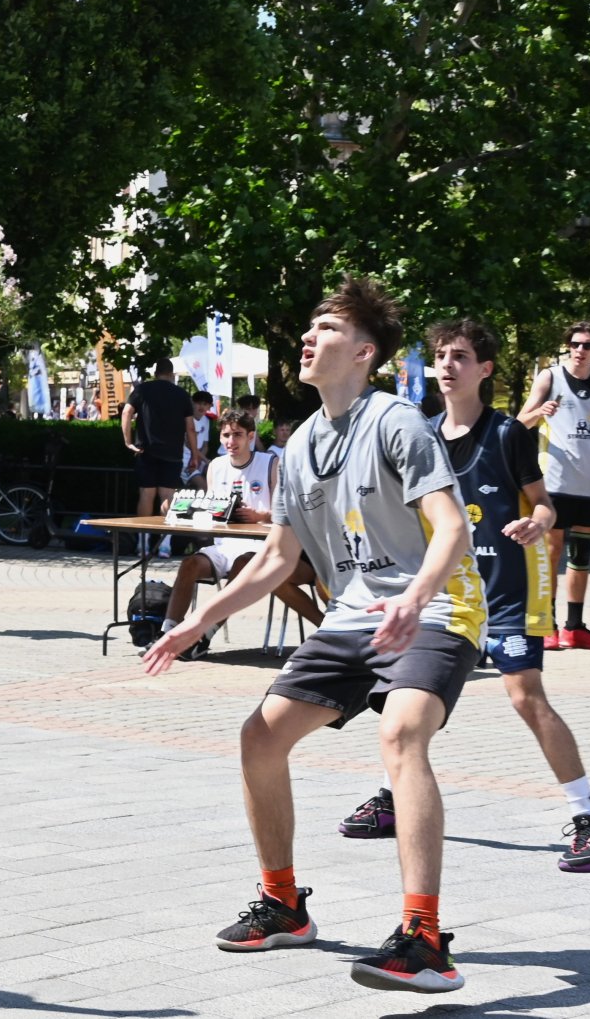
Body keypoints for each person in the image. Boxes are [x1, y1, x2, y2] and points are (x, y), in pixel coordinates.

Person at [145, 277, 483, 994]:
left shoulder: (397, 422)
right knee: (259, 737)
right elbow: (275, 558)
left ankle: (424, 937)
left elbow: (451, 528)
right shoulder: (298, 447)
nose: (308, 336)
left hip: (437, 606)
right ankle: (283, 902)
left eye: (326, 328)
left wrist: (417, 598)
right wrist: (194, 625)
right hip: (354, 615)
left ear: (364, 352)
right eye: (311, 325)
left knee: (400, 734)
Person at [335, 321, 590, 871]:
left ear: (484, 369)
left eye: (460, 356)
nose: (447, 365)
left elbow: (542, 503)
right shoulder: (420, 435)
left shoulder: (509, 433)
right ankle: (394, 798)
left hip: (506, 592)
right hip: (444, 596)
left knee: (525, 699)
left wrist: (537, 523)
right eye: (440, 355)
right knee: (410, 698)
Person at [162, 406, 323, 657]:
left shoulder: (270, 462)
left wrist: (263, 516)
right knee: (189, 564)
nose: (230, 441)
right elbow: (214, 511)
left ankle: (202, 636)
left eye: (237, 435)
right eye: (226, 435)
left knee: (243, 564)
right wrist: (183, 509)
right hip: (226, 544)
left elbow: (289, 510)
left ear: (251, 436)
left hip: (265, 547)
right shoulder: (215, 465)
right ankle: (168, 634)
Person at [516, 322, 590, 651]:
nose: (579, 350)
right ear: (567, 346)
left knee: (582, 555)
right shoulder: (550, 377)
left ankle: (575, 628)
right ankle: (547, 624)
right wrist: (539, 411)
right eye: (574, 344)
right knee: (552, 551)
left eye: (587, 345)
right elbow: (518, 423)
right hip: (554, 480)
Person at [122, 359, 200, 522]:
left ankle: (143, 540)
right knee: (167, 494)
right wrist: (194, 454)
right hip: (173, 452)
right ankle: (165, 542)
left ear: (156, 374)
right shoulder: (182, 394)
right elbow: (190, 428)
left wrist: (128, 441)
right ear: (172, 375)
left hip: (146, 450)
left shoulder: (142, 390)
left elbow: (126, 412)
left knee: (146, 493)